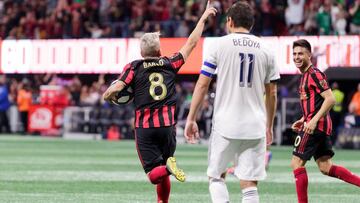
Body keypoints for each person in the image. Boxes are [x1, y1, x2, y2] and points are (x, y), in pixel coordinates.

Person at [103, 6, 217, 203]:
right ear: (159, 50)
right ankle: (163, 200)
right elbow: (191, 42)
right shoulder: (169, 63)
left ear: (141, 51)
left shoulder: (134, 66)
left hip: (145, 128)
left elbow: (117, 87)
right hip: (167, 128)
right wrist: (204, 18)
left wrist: (107, 96)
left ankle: (167, 169)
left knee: (154, 173)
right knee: (165, 165)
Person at [184, 2, 280, 202]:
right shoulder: (267, 49)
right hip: (255, 125)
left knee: (216, 176)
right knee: (249, 184)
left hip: (225, 124)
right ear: (251, 24)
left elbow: (202, 85)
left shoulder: (218, 45)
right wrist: (268, 125)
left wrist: (191, 118)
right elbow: (272, 93)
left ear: (229, 21)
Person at [290, 39, 360, 203]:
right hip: (316, 125)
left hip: (316, 127)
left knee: (296, 163)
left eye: (301, 53)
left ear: (309, 55)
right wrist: (303, 119)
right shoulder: (304, 76)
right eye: (294, 54)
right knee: (325, 167)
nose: (297, 57)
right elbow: (317, 103)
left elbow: (330, 99)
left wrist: (312, 121)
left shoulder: (314, 74)